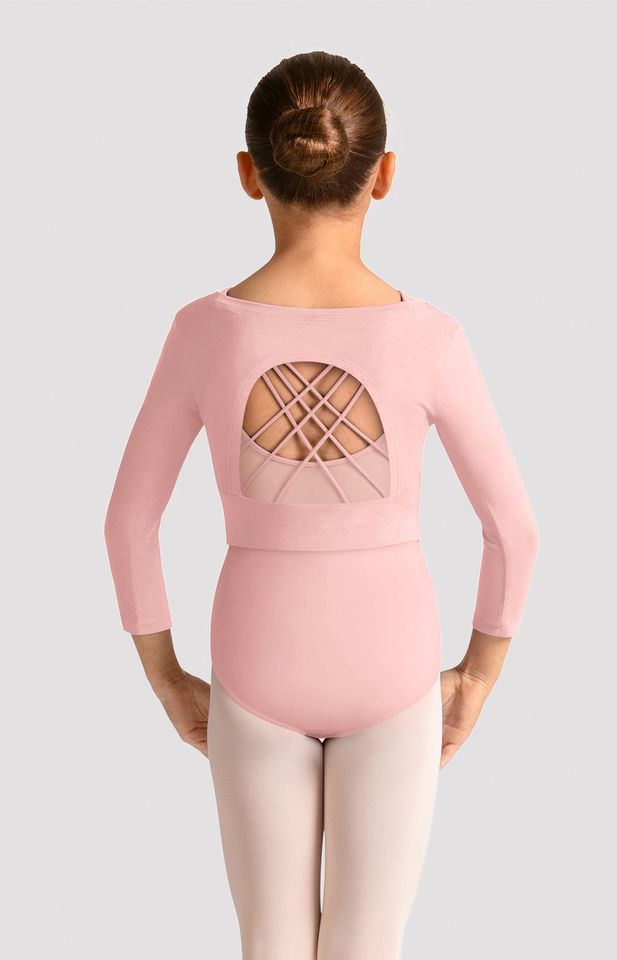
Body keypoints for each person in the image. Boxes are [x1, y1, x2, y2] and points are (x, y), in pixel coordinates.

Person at [104, 50, 539, 960]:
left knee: (268, 940)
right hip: (392, 655)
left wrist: (167, 677)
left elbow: (129, 522)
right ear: (385, 175)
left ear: (248, 172)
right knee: (367, 942)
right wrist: (478, 677)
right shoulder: (430, 338)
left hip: (256, 648)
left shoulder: (202, 331)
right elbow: (513, 530)